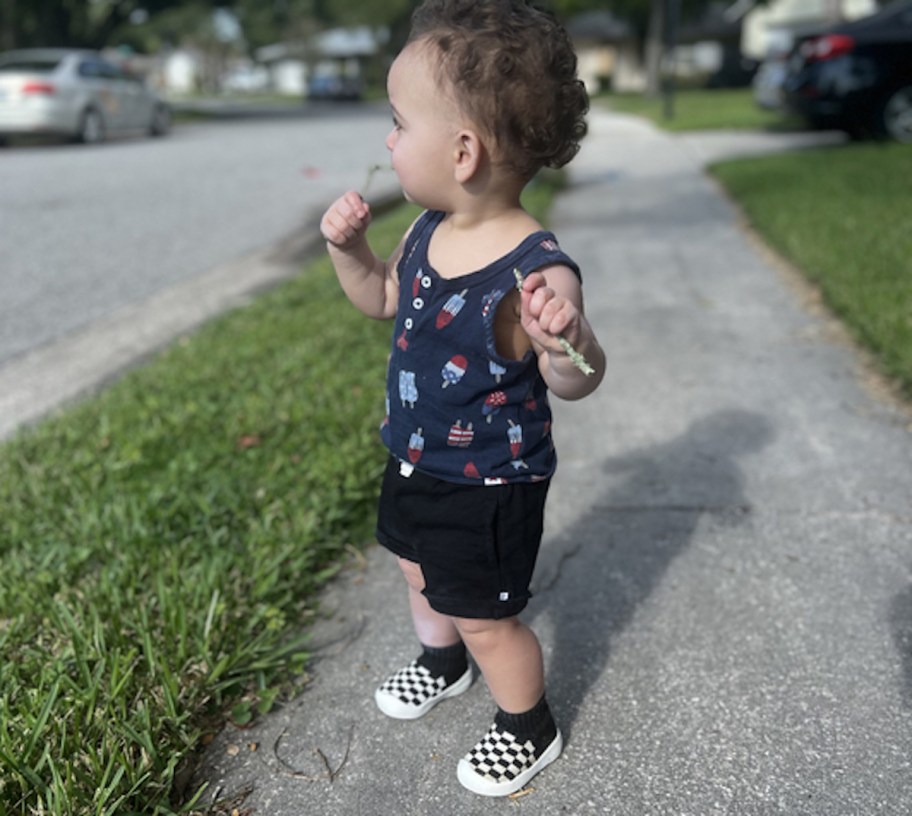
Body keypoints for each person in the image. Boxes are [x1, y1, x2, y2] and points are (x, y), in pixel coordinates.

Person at [319, 0, 604, 797]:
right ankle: (442, 663)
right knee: (417, 570)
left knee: (485, 614)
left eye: (399, 123)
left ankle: (528, 723)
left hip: (488, 485)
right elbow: (381, 298)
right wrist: (350, 252)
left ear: (465, 150)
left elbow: (578, 378)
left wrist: (564, 339)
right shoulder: (422, 230)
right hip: (412, 454)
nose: (388, 139)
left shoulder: (538, 273)